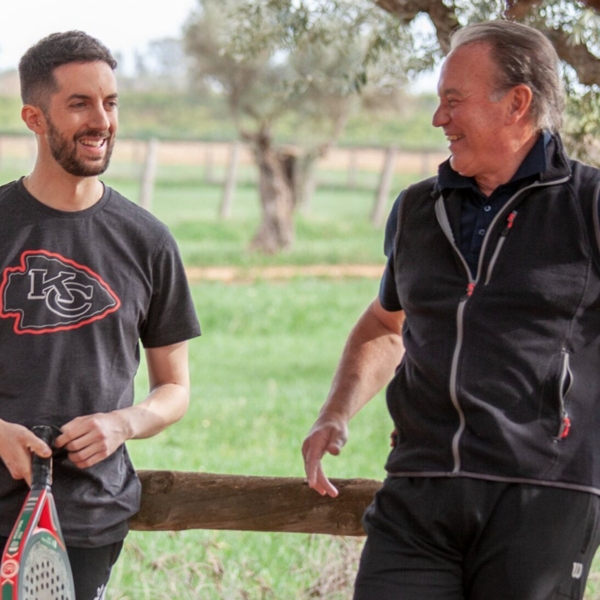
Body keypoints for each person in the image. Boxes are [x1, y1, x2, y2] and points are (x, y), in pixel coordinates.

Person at [302, 19, 600, 600]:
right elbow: (386, 324)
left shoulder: (588, 206)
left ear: (518, 103)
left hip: (543, 493)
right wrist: (334, 413)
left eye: (453, 101)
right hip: (418, 487)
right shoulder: (417, 209)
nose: (439, 118)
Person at [0, 31, 201, 600]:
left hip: (88, 516)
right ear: (35, 119)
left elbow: (175, 388)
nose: (102, 120)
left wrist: (122, 424)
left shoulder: (148, 241)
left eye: (110, 102)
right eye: (80, 103)